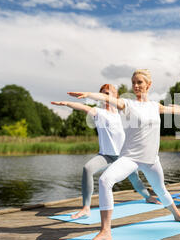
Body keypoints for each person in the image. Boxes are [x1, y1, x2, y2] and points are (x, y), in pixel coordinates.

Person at [68, 69, 180, 240]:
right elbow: (108, 99)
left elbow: (171, 108)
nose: (135, 85)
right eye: (133, 82)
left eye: (140, 82)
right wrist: (89, 95)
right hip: (131, 157)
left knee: (161, 190)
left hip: (151, 159)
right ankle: (105, 231)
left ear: (149, 85)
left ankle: (177, 214)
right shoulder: (127, 103)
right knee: (105, 181)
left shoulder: (154, 106)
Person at [51, 84, 159, 220]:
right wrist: (66, 103)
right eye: (103, 93)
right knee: (87, 169)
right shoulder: (98, 112)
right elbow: (84, 107)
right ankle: (85, 208)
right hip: (106, 156)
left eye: (108, 93)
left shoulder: (123, 114)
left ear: (115, 96)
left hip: (124, 156)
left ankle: (148, 197)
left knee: (135, 179)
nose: (105, 96)